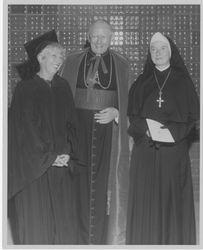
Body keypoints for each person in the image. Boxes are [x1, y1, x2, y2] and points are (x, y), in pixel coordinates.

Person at [59, 19, 132, 244]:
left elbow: (128, 101)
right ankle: (75, 238)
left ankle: (101, 239)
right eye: (95, 36)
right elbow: (60, 98)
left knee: (103, 185)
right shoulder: (71, 61)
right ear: (88, 37)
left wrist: (117, 112)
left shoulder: (121, 64)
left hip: (108, 133)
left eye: (104, 37)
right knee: (76, 184)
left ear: (111, 38)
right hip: (77, 130)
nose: (99, 41)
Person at [126, 32, 199, 244]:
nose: (158, 53)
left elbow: (192, 117)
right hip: (145, 151)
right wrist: (147, 129)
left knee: (170, 197)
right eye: (153, 50)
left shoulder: (183, 82)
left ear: (171, 52)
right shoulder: (141, 82)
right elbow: (133, 115)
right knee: (145, 198)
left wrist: (171, 132)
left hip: (172, 151)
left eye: (162, 49)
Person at [8, 30, 78, 244]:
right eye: (54, 56)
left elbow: (71, 125)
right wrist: (49, 157)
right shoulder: (25, 89)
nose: (59, 61)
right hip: (34, 172)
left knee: (63, 224)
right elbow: (24, 131)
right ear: (40, 58)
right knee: (38, 225)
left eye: (61, 56)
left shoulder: (63, 86)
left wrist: (67, 152)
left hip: (59, 169)